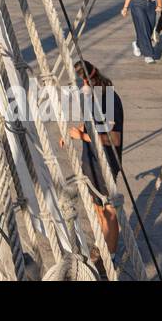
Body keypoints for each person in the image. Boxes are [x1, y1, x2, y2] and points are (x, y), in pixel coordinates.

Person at [66, 60, 123, 262]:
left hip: (105, 162)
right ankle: (102, 244)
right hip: (90, 161)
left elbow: (114, 138)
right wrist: (76, 131)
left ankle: (112, 254)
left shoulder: (110, 99)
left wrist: (81, 137)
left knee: (108, 209)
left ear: (87, 79)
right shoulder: (91, 97)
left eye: (80, 83)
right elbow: (89, 122)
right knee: (97, 206)